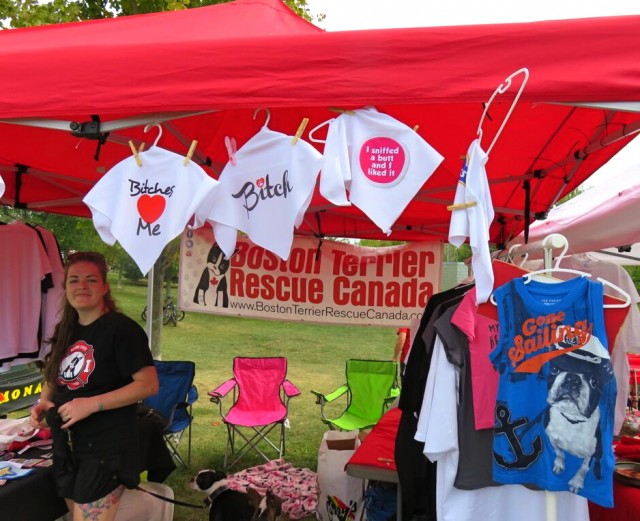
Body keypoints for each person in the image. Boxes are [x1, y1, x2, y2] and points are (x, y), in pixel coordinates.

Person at [30, 251, 159, 521]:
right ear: (65, 287)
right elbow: (55, 375)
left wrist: (91, 404)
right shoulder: (67, 328)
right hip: (69, 447)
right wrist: (44, 401)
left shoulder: (121, 330)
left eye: (91, 280)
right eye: (74, 280)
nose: (82, 286)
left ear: (104, 287)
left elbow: (148, 385)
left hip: (105, 450)